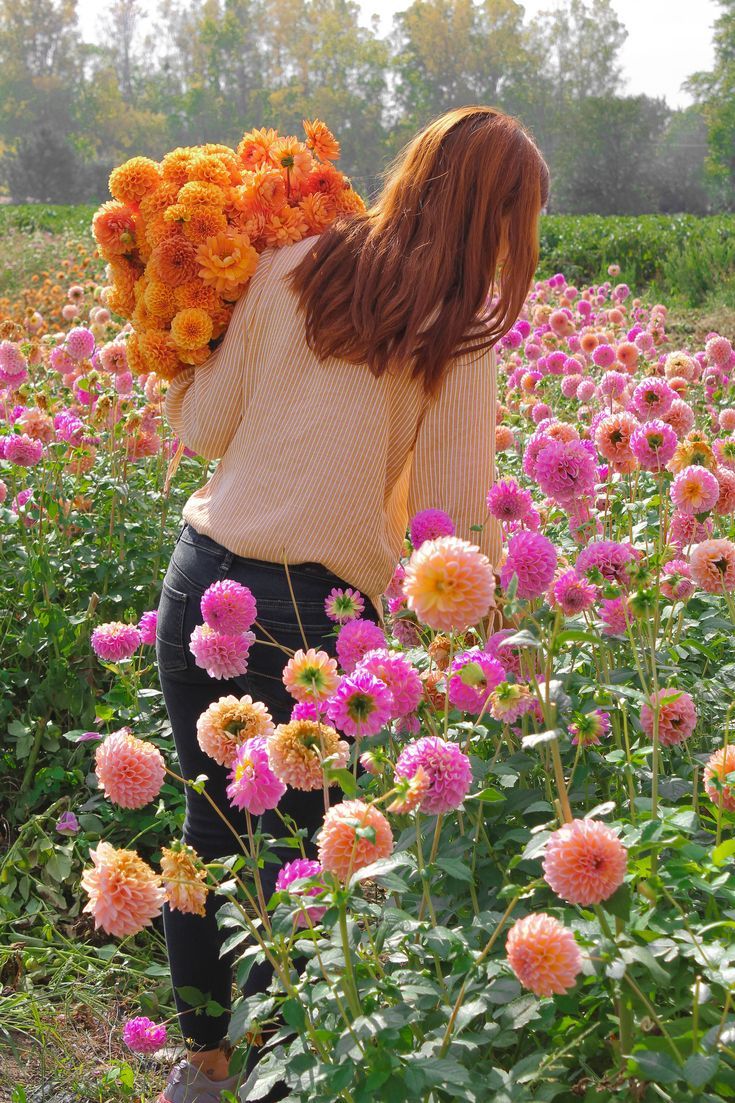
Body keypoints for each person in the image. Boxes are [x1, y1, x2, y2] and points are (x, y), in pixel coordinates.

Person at [155, 104, 549, 1103]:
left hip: (200, 577)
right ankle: (278, 1081)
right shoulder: (455, 329)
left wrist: (179, 334)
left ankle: (201, 1065)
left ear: (415, 170)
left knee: (213, 836)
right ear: (497, 223)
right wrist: (502, 635)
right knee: (301, 865)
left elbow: (205, 428)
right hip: (311, 619)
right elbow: (451, 526)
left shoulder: (295, 259)